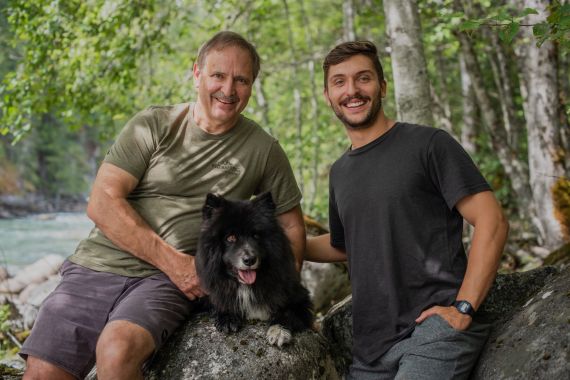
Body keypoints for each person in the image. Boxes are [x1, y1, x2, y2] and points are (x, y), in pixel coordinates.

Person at [20, 31, 306, 380]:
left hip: (166, 283)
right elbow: (101, 202)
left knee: (116, 352)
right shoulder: (153, 124)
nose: (228, 89)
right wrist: (173, 262)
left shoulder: (263, 149)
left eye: (241, 80)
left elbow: (290, 226)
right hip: (101, 264)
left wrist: (282, 297)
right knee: (42, 373)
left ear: (252, 85)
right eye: (218, 75)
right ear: (197, 73)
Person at [305, 41, 509, 379]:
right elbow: (345, 244)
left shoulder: (428, 144)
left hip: (432, 331)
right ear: (327, 95)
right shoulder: (340, 171)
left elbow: (492, 220)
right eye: (339, 82)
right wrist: (284, 242)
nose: (352, 90)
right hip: (371, 349)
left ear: (382, 87)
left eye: (363, 78)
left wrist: (463, 307)